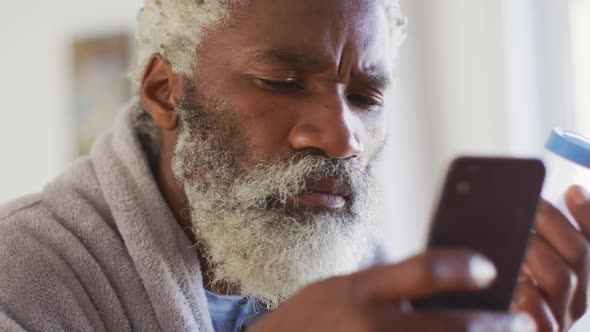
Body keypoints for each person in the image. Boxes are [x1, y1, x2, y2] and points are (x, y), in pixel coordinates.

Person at [0, 0, 588, 331]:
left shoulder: (376, 284)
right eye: (280, 81)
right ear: (164, 91)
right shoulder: (21, 276)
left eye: (366, 98)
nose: (342, 139)